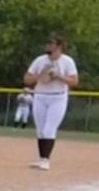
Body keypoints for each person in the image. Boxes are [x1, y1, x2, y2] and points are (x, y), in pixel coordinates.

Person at [23, 35, 79, 170]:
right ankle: (41, 158)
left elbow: (74, 81)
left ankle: (46, 160)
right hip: (40, 96)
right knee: (40, 129)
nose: (48, 45)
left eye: (51, 43)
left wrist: (58, 76)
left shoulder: (67, 61)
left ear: (59, 46)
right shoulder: (40, 60)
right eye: (47, 43)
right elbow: (27, 79)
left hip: (58, 97)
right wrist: (40, 75)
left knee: (49, 129)